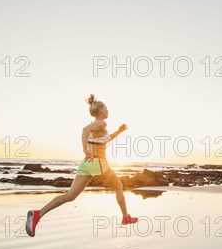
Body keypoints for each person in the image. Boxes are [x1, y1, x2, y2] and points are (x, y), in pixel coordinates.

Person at [25, 94, 138, 237]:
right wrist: (84, 149)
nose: (108, 111)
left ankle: (37, 214)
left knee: (70, 195)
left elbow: (105, 139)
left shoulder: (98, 127)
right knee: (118, 186)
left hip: (87, 164)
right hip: (98, 163)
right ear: (101, 111)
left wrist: (119, 131)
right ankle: (126, 217)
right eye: (106, 108)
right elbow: (84, 130)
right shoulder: (101, 124)